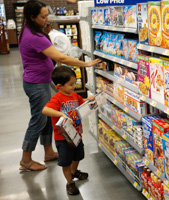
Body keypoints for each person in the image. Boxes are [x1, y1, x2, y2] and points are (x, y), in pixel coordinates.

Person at [18, 0, 100, 171]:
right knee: (38, 120)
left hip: (42, 80)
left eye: (47, 15)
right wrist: (86, 64)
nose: (47, 19)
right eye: (43, 16)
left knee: (46, 119)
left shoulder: (29, 30)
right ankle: (26, 159)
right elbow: (60, 58)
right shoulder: (33, 36)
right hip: (36, 84)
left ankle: (48, 152)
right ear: (32, 17)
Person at [42, 66, 92, 195]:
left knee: (78, 155)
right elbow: (45, 110)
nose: (74, 86)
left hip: (76, 135)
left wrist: (89, 100)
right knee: (66, 161)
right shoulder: (57, 98)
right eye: (71, 84)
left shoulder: (74, 95)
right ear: (59, 86)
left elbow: (81, 103)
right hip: (63, 138)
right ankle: (70, 182)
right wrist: (62, 115)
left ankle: (74, 172)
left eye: (75, 83)